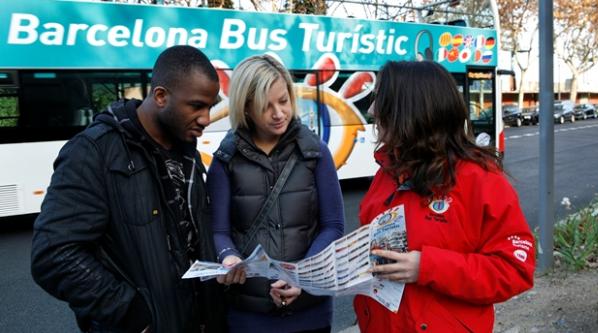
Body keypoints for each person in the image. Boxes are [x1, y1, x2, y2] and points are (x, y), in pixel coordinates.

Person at [31, 45, 225, 333]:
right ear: (160, 96)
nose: (206, 119)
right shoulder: (94, 152)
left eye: (210, 107)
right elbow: (53, 255)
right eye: (197, 106)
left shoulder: (189, 154)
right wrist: (129, 312)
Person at [354, 60, 535, 332]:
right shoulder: (387, 172)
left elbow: (514, 270)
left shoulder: (480, 180)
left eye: (380, 98)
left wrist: (427, 267)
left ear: (410, 109)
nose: (371, 110)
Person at [207, 54, 345, 333]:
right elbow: (218, 230)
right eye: (265, 106)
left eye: (283, 101)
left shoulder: (315, 152)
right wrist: (228, 257)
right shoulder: (225, 160)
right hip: (249, 317)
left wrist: (301, 277)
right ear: (246, 108)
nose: (279, 113)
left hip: (311, 311)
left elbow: (333, 226)